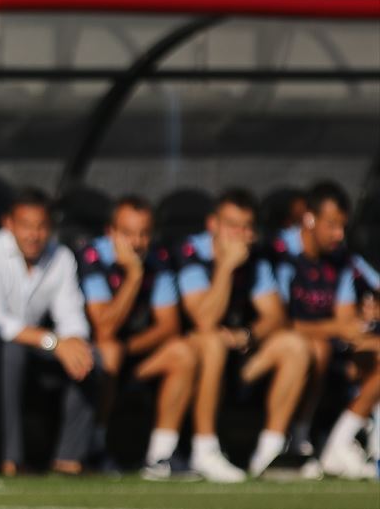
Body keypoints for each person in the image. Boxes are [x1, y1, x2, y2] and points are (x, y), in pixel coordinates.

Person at [72, 196, 234, 480]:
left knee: (183, 351)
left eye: (144, 233)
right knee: (108, 351)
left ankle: (161, 456)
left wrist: (129, 347)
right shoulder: (92, 258)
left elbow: (168, 326)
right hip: (92, 360)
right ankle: (96, 447)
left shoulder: (157, 259)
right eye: (128, 233)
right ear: (110, 232)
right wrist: (134, 277)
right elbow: (104, 329)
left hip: (135, 355)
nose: (136, 242)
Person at [174, 188, 309, 478]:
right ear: (213, 225)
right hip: (193, 360)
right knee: (211, 343)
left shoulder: (256, 259)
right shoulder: (192, 252)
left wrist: (245, 335)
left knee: (295, 345)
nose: (242, 234)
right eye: (233, 226)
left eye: (247, 227)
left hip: (238, 355)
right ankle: (204, 450)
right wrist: (225, 266)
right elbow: (204, 320)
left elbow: (275, 316)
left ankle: (269, 454)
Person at [0, 187, 99, 476]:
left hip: (35, 348)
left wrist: (74, 341)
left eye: (41, 227)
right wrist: (55, 342)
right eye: (26, 226)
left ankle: (69, 459)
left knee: (90, 354)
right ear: (8, 224)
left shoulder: (61, 256)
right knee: (12, 352)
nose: (33, 235)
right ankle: (10, 461)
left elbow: (72, 315)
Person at [272, 181, 379, 480]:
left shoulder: (340, 259)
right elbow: (278, 323)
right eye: (332, 225)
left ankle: (350, 444)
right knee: (313, 348)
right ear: (309, 218)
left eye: (342, 226)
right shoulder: (278, 252)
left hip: (326, 344)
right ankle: (288, 444)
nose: (339, 235)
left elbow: (345, 318)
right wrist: (336, 327)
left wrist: (359, 325)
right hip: (271, 347)